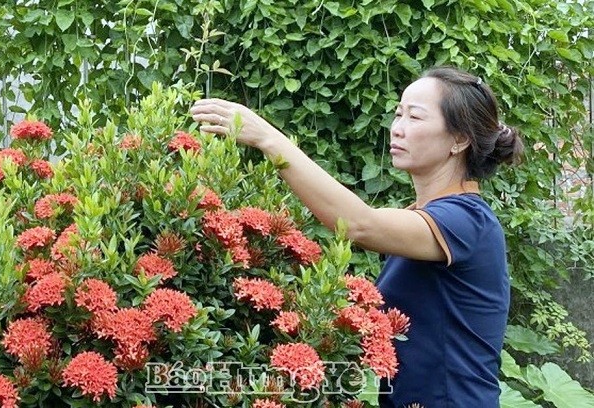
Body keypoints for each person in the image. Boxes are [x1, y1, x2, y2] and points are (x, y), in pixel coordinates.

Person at [190, 65, 523, 408]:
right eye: (398, 114)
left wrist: (268, 139)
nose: (398, 129)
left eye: (415, 117)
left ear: (459, 139)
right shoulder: (425, 221)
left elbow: (358, 224)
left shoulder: (466, 220)